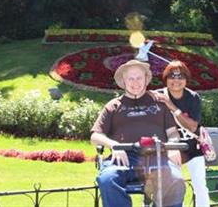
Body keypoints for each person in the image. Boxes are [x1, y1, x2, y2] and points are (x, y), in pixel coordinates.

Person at [90, 59, 186, 207]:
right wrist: (114, 145)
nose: (135, 82)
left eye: (139, 78)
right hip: (125, 158)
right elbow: (95, 136)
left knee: (176, 180)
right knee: (107, 179)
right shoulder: (113, 106)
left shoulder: (159, 103)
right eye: (131, 78)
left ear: (146, 79)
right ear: (124, 81)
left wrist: (173, 146)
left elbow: (172, 133)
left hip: (158, 157)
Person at [155, 60, 210, 207]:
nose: (176, 81)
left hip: (193, 148)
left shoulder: (193, 97)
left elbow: (193, 127)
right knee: (173, 188)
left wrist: (172, 106)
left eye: (181, 77)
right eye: (172, 76)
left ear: (186, 80)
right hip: (170, 149)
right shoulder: (158, 96)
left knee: (200, 187)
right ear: (166, 78)